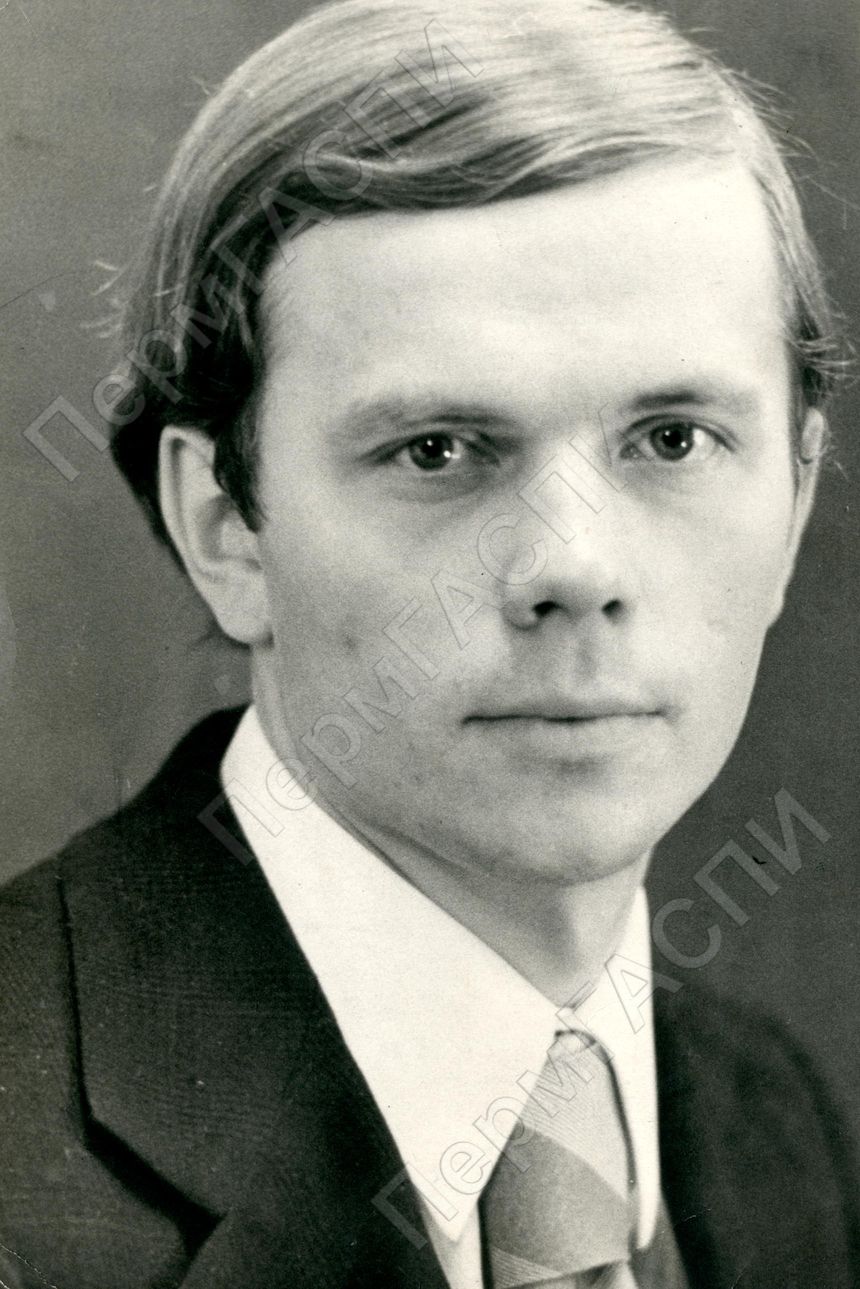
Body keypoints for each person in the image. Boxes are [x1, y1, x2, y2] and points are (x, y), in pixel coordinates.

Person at [1, 0, 856, 1285]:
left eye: (671, 439)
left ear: (790, 502)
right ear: (226, 527)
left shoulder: (768, 1124)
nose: (575, 568)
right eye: (439, 450)